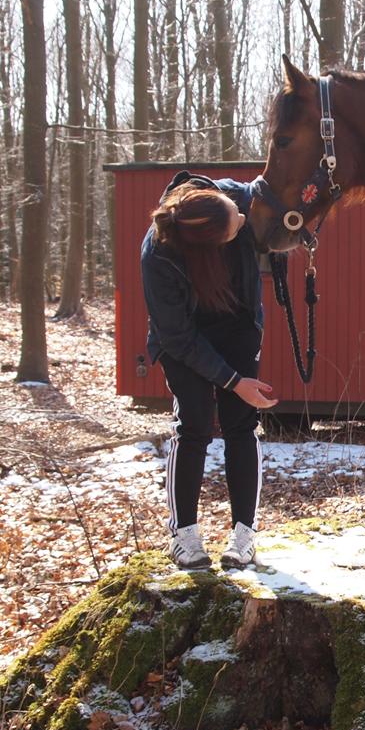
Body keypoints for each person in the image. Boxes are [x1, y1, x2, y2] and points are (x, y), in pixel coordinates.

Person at [141, 171, 277, 569]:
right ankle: (184, 536)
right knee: (195, 423)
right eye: (235, 225)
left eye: (237, 214)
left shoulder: (233, 199)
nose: (241, 219)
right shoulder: (158, 255)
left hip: (237, 326)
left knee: (241, 424)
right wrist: (235, 382)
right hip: (184, 338)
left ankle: (244, 536)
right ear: (207, 246)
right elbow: (178, 337)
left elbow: (278, 200)